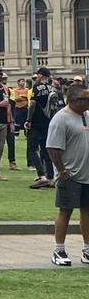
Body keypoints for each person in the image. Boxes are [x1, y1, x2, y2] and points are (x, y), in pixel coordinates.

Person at [46, 83, 89, 266]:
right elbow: (52, 147)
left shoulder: (86, 116)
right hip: (70, 175)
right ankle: (59, 250)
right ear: (74, 100)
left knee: (87, 211)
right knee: (65, 211)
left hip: (86, 173)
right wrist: (61, 170)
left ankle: (87, 250)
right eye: (86, 99)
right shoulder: (61, 119)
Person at [26, 67, 58, 189]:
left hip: (36, 123)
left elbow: (33, 104)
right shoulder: (53, 88)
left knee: (32, 149)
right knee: (46, 150)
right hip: (48, 123)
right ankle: (50, 177)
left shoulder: (37, 87)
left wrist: (28, 120)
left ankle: (42, 175)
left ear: (40, 75)